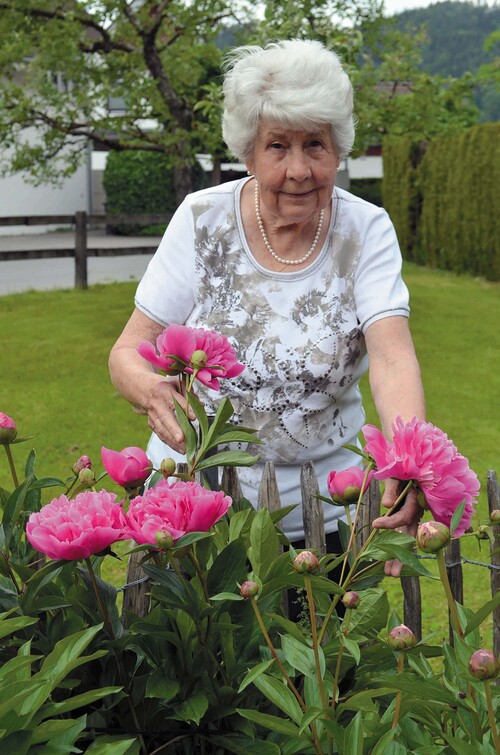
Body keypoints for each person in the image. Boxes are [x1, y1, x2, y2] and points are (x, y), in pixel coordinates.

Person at [109, 39, 426, 577]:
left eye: (315, 144)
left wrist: (409, 461)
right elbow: (125, 352)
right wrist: (149, 389)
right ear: (248, 154)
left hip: (323, 515)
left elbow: (393, 359)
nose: (299, 169)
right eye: (278, 146)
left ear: (338, 150)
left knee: (321, 634)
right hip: (191, 513)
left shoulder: (365, 230)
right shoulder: (202, 220)